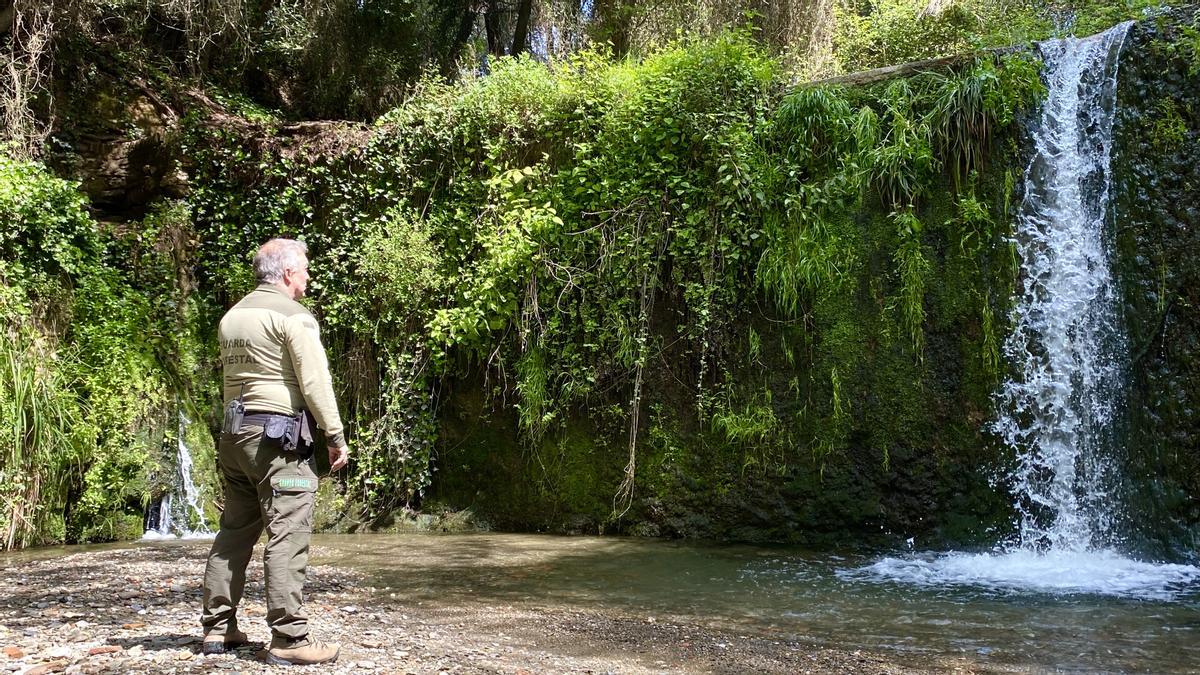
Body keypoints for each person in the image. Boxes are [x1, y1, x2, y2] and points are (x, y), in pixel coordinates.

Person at [201, 238, 349, 666]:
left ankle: (218, 628)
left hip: (235, 440)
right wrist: (335, 436)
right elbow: (315, 383)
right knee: (288, 532)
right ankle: (289, 637)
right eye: (304, 268)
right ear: (287, 273)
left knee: (235, 531)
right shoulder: (293, 316)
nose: (308, 275)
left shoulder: (233, 316)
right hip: (277, 444)